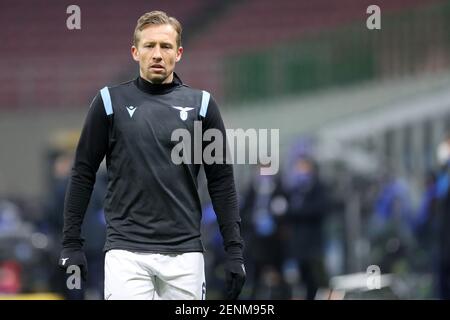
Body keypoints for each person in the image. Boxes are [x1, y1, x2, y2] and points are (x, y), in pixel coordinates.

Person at [58, 11, 245, 300]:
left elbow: (221, 182)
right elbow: (83, 174)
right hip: (126, 253)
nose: (157, 54)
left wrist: (234, 250)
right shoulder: (109, 103)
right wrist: (71, 244)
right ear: (135, 52)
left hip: (185, 255)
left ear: (179, 53)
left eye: (166, 46)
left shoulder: (203, 105)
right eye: (149, 46)